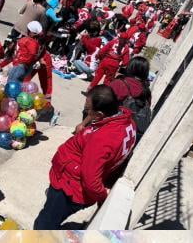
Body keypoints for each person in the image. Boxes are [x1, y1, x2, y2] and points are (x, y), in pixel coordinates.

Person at [33, 85, 136, 229]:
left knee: (43, 225)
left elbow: (91, 181)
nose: (86, 112)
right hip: (67, 180)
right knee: (51, 212)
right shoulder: (126, 121)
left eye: (88, 110)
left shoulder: (102, 140)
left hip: (68, 188)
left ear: (99, 114)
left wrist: (102, 198)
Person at [109, 57, 152, 140]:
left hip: (112, 129)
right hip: (129, 136)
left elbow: (101, 103)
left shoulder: (119, 83)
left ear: (130, 67)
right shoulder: (147, 91)